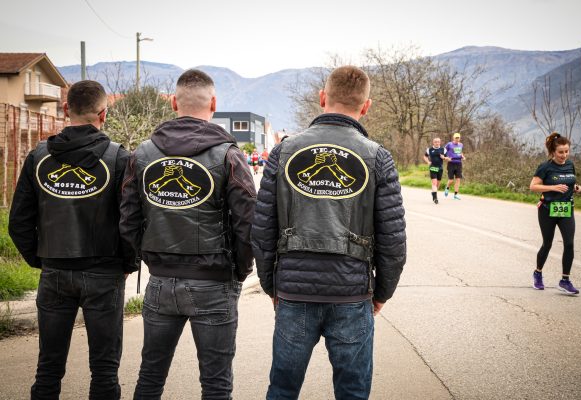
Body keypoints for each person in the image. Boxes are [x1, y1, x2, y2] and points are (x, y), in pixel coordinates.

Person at [252, 65, 407, 399]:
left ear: (323, 98)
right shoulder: (378, 157)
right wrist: (381, 293)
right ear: (366, 106)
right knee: (353, 393)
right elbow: (393, 240)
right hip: (352, 292)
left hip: (294, 292)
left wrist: (272, 286)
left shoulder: (283, 152)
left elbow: (262, 229)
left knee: (282, 390)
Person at [120, 69, 256, 399]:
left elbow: (128, 219)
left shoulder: (143, 153)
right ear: (214, 103)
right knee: (216, 383)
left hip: (160, 280)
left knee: (150, 377)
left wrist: (150, 259)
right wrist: (239, 270)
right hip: (214, 281)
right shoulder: (229, 155)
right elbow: (249, 223)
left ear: (173, 102)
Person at [8, 80, 136, 400]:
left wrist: (42, 259)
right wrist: (127, 263)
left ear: (66, 109)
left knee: (48, 368)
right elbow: (131, 221)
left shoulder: (38, 156)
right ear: (103, 114)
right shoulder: (119, 158)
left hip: (55, 270)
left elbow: (19, 222)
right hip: (105, 271)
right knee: (104, 369)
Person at [529, 132, 581, 295]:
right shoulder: (545, 167)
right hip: (547, 210)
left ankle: (565, 280)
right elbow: (533, 186)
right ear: (553, 151)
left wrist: (576, 187)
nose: (564, 155)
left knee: (569, 243)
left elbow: (570, 181)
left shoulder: (570, 165)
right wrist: (552, 187)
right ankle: (538, 273)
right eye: (560, 152)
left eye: (566, 151)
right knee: (547, 244)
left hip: (566, 209)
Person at [423, 137, 447, 204]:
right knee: (434, 183)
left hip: (440, 168)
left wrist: (444, 157)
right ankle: (435, 198)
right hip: (433, 167)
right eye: (435, 142)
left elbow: (449, 158)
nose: (437, 143)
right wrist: (428, 162)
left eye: (438, 142)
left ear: (440, 142)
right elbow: (425, 156)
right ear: (433, 142)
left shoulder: (443, 149)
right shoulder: (429, 149)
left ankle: (433, 193)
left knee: (437, 184)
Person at [444, 132, 466, 200]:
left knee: (458, 179)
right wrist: (446, 157)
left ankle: (455, 195)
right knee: (451, 180)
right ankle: (447, 187)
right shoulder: (449, 144)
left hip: (459, 163)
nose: (457, 139)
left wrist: (463, 156)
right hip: (451, 163)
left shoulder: (461, 145)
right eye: (456, 138)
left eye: (458, 138)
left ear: (460, 138)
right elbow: (443, 151)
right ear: (453, 138)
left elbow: (460, 152)